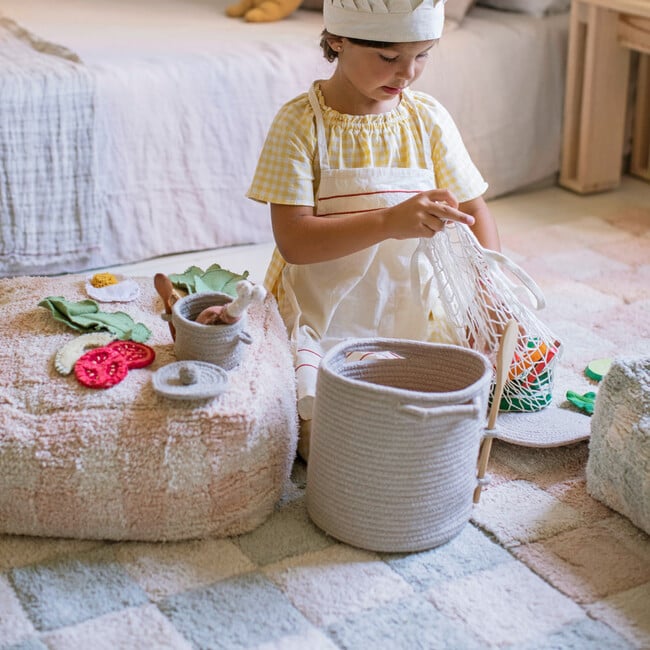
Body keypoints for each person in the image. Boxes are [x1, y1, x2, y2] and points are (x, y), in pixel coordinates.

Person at [247, 0, 501, 460]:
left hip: (413, 313)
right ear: (337, 39)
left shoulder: (427, 119)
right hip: (324, 319)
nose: (407, 73)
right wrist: (388, 222)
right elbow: (295, 242)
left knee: (451, 411)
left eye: (423, 54)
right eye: (389, 57)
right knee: (323, 439)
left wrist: (489, 291)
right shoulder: (299, 124)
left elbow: (474, 210)